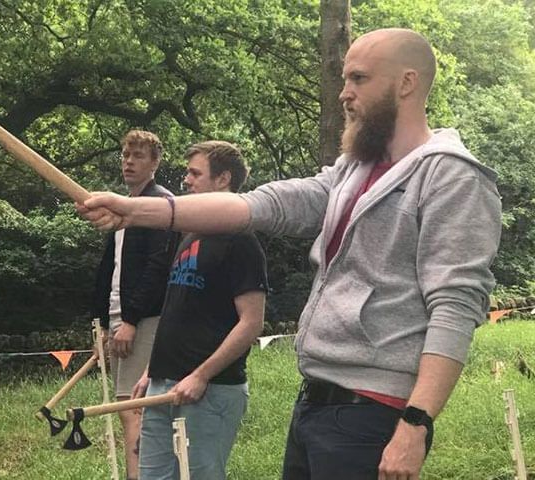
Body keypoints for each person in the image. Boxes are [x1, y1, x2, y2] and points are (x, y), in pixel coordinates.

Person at [79, 28, 502, 480]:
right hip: (315, 402)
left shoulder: (452, 177)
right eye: (344, 79)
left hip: (375, 410)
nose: (344, 93)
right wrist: (136, 210)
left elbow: (454, 308)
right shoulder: (352, 170)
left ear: (406, 83)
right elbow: (260, 206)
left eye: (358, 79)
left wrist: (415, 424)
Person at [131, 141, 268, 480]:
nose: (186, 180)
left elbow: (251, 323)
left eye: (195, 173)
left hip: (210, 390)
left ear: (223, 179)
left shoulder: (241, 240)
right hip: (163, 384)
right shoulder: (188, 235)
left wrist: (202, 375)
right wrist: (152, 370)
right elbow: (177, 308)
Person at [91, 130, 177, 480]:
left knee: (134, 406)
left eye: (137, 156)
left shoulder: (159, 206)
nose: (128, 161)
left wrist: (131, 319)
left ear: (155, 163)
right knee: (128, 403)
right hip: (119, 316)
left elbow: (158, 269)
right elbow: (112, 269)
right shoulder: (124, 206)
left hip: (145, 318)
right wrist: (102, 320)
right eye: (125, 155)